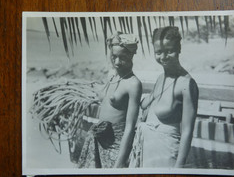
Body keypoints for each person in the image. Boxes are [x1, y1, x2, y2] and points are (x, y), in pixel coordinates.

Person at [129, 26, 198, 168]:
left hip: (166, 153)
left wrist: (178, 169)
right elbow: (145, 104)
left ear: (179, 48)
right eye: (159, 52)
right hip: (146, 150)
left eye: (169, 51)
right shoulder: (161, 78)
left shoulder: (186, 84)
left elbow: (187, 132)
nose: (163, 57)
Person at [77, 32, 142, 168]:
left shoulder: (133, 84)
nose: (117, 62)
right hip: (98, 139)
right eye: (114, 57)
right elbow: (106, 98)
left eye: (122, 57)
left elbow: (130, 127)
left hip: (115, 145)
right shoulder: (112, 76)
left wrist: (120, 162)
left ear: (131, 55)